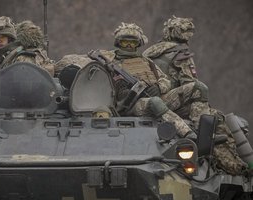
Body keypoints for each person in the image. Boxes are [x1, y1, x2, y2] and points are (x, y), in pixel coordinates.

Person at [143, 16, 248, 175]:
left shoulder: (149, 52)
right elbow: (190, 82)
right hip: (172, 102)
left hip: (152, 102)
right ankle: (235, 167)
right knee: (216, 119)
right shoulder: (180, 53)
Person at [96, 22, 199, 139]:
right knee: (155, 102)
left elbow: (165, 80)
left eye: (133, 42)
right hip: (131, 106)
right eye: (125, 42)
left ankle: (198, 128)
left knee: (198, 87)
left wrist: (158, 87)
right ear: (118, 43)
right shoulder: (110, 62)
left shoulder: (146, 61)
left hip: (156, 98)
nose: (129, 46)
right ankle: (186, 132)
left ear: (138, 44)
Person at [0, 16, 55, 103]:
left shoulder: (22, 57)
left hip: (20, 107)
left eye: (2, 38)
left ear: (9, 39)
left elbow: (24, 90)